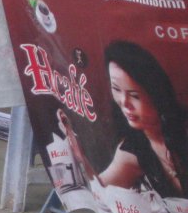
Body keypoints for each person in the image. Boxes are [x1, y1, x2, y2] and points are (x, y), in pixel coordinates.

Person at [59, 40, 188, 198]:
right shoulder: (133, 150)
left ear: (156, 94)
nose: (124, 102)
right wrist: (80, 157)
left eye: (134, 95)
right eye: (116, 89)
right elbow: (99, 192)